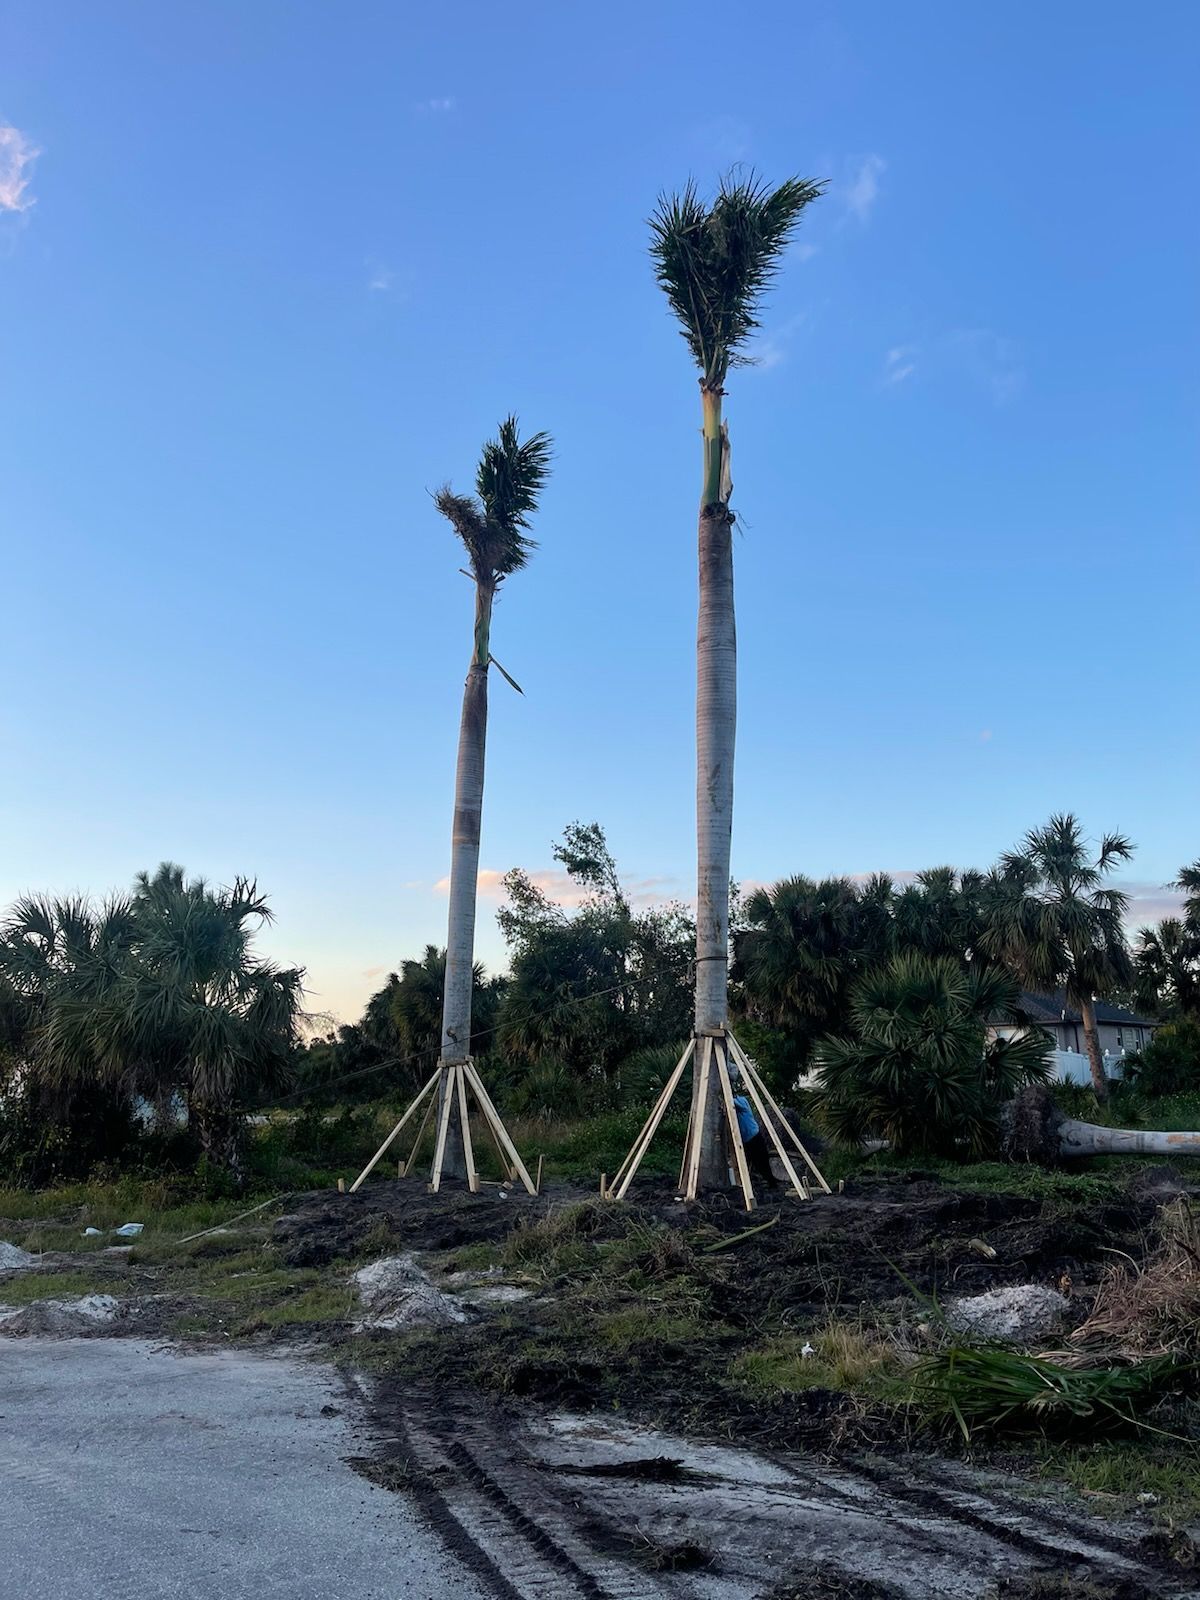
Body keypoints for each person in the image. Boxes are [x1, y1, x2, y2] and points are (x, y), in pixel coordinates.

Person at [728, 1066, 780, 1192]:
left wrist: (727, 1095)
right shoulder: (735, 1105)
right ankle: (749, 1184)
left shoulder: (742, 1101)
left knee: (762, 1162)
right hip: (746, 1140)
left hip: (754, 1137)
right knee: (750, 1163)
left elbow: (732, 1103)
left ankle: (772, 1184)